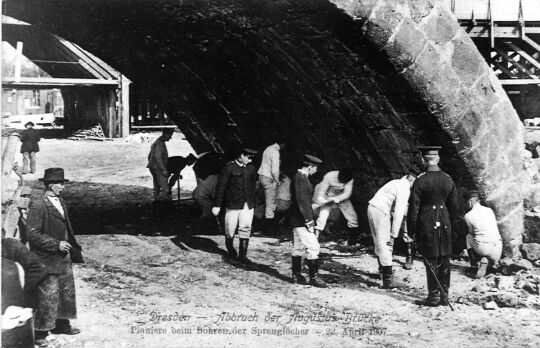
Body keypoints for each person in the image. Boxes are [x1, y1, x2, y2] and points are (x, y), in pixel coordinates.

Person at [26, 168, 83, 343]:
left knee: (66, 291)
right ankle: (41, 332)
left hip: (63, 255)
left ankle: (62, 324)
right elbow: (32, 234)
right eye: (59, 184)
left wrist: (71, 247)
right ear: (50, 185)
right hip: (47, 256)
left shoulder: (60, 201)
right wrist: (55, 244)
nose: (63, 187)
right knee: (47, 294)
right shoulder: (39, 204)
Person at [407, 146, 458, 307]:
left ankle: (434, 296)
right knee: (444, 258)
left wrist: (412, 230)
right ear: (438, 159)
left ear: (423, 160)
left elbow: (413, 208)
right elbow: (455, 207)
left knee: (431, 258)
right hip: (444, 222)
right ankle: (445, 296)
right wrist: (452, 225)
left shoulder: (420, 180)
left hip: (426, 222)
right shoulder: (448, 178)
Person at [367, 174, 416, 289]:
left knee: (379, 243)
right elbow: (399, 212)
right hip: (381, 211)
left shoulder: (395, 182)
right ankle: (387, 281)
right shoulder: (404, 188)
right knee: (386, 244)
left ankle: (382, 272)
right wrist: (393, 234)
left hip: (372, 208)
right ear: (412, 181)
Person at [212, 147, 258, 263]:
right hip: (233, 203)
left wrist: (253, 201)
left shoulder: (252, 169)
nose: (250, 160)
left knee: (245, 227)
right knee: (230, 228)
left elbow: (253, 186)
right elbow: (221, 187)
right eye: (248, 157)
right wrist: (217, 205)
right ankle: (230, 246)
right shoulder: (229, 167)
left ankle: (243, 255)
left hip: (247, 204)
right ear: (241, 156)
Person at [289, 154, 327, 288]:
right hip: (301, 220)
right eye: (315, 167)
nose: (316, 170)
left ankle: (296, 275)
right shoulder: (301, 178)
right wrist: (309, 222)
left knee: (298, 246)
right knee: (313, 246)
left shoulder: (301, 177)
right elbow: (302, 202)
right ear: (309, 166)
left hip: (297, 219)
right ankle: (314, 277)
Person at [312, 169, 359, 244]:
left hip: (340, 195)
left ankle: (352, 238)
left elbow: (347, 193)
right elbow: (321, 192)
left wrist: (336, 199)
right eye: (341, 181)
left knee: (351, 214)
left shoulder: (350, 179)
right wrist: (324, 201)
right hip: (326, 193)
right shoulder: (329, 176)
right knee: (323, 214)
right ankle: (316, 237)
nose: (341, 183)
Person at [463, 190, 503, 278]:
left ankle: (474, 265)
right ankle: (490, 262)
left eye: (466, 202)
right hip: (498, 249)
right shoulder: (489, 210)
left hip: (483, 249)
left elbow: (472, 233)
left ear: (470, 201)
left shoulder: (468, 215)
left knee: (468, 236)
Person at [257, 138, 286, 233]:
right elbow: (274, 169)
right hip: (269, 178)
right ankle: (268, 229)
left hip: (261, 176)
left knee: (261, 201)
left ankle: (258, 225)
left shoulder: (268, 148)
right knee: (271, 204)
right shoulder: (275, 152)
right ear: (282, 144)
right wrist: (277, 180)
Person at [147, 129, 174, 202]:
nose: (170, 138)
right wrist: (164, 170)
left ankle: (156, 204)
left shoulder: (159, 142)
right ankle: (164, 206)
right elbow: (158, 158)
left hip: (153, 167)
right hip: (158, 168)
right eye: (170, 136)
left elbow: (149, 156)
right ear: (166, 134)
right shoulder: (159, 144)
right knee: (165, 188)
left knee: (157, 187)